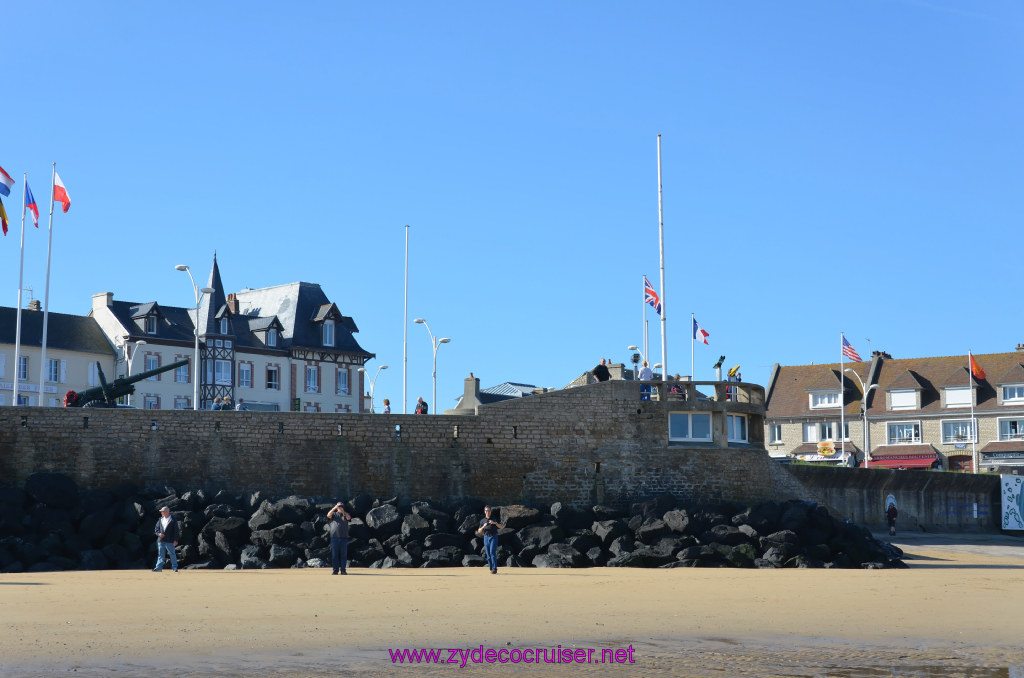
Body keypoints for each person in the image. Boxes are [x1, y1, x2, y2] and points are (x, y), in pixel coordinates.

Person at [476, 505, 503, 574]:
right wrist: (483, 526)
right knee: (488, 555)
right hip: (486, 537)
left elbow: (501, 527)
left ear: (490, 511)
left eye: (488, 510)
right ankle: (491, 569)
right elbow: (479, 531)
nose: (487, 512)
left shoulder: (494, 518)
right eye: (486, 511)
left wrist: (494, 523)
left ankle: (494, 568)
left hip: (493, 536)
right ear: (484, 512)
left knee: (492, 553)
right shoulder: (482, 520)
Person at [327, 501, 352, 575]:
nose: (340, 508)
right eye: (339, 507)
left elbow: (349, 518)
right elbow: (328, 515)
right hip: (335, 538)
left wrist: (343, 512)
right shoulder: (334, 514)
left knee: (343, 555)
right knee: (335, 555)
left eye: (341, 507)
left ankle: (343, 570)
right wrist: (335, 507)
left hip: (344, 538)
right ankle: (335, 570)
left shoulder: (346, 514)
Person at [153, 506, 180, 573]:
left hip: (170, 540)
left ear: (167, 512)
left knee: (172, 554)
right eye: (161, 512)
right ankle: (158, 568)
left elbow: (176, 531)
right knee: (161, 555)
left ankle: (174, 568)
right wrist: (159, 534)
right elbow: (156, 529)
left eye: (163, 511)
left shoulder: (173, 520)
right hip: (161, 540)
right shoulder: (160, 519)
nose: (161, 512)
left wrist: (176, 540)